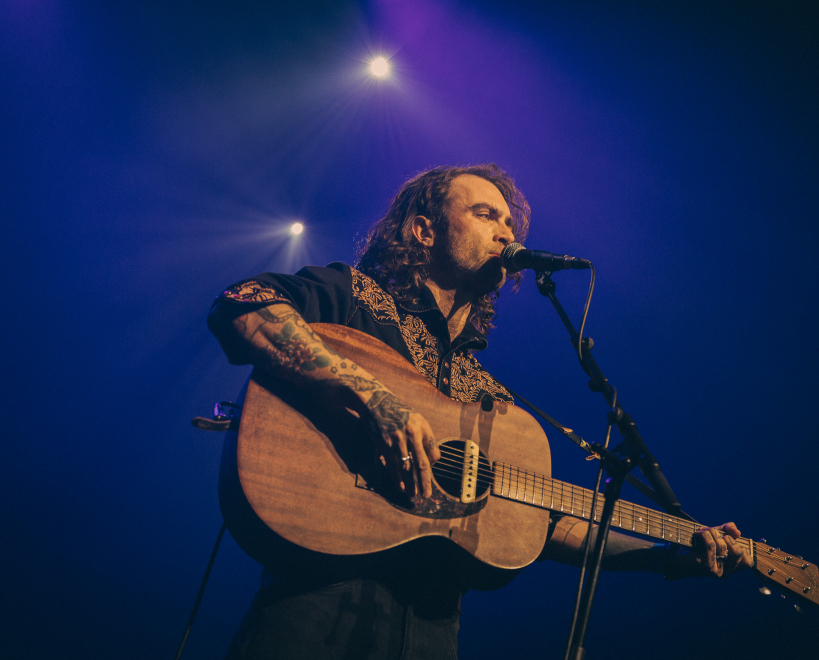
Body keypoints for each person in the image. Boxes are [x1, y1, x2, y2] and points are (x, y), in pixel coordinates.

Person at [207, 164, 752, 659]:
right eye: (485, 214)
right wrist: (374, 398)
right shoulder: (354, 299)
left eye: (511, 224)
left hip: (431, 631)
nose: (506, 233)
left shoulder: (488, 398)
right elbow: (243, 303)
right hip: (312, 609)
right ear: (423, 230)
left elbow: (550, 525)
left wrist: (671, 553)